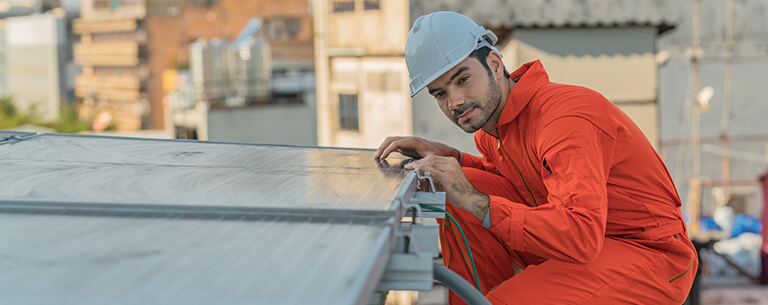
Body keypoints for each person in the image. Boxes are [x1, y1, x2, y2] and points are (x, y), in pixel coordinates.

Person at [374, 11, 697, 304]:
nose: (455, 101)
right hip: (585, 246)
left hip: (650, 254)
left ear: (496, 65)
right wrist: (452, 158)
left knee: (473, 204)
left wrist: (476, 200)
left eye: (462, 79)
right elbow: (510, 179)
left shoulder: (563, 119)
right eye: (440, 94)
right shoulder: (494, 131)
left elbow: (581, 234)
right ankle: (488, 295)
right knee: (454, 186)